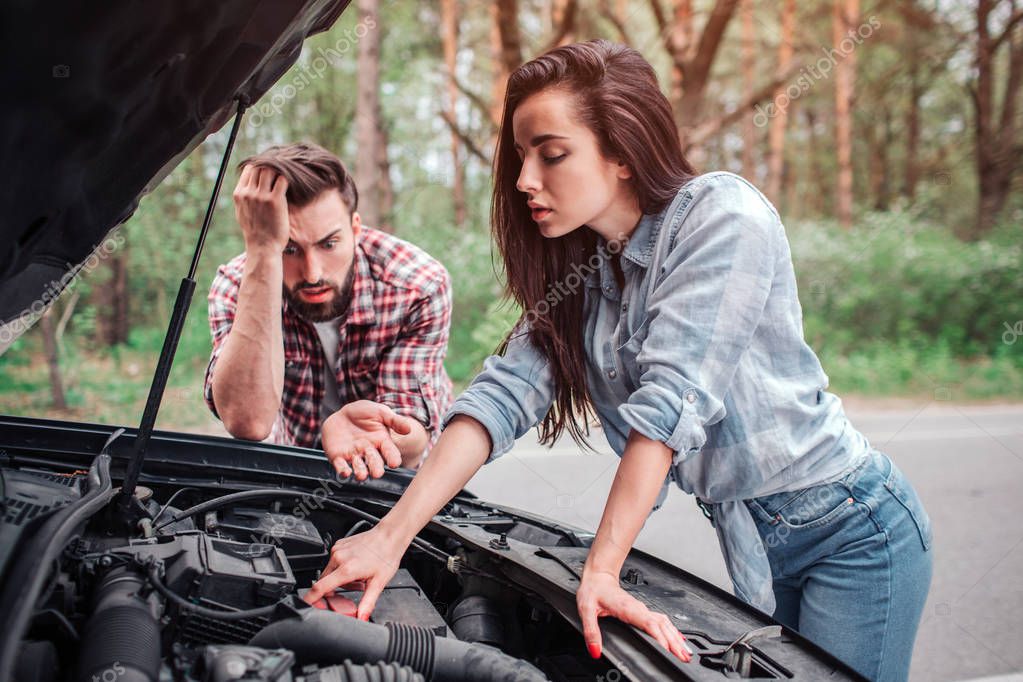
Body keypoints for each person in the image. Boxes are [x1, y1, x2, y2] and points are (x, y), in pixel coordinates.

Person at [303, 41, 932, 681]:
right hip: (755, 543)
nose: (524, 180)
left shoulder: (722, 215)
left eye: (552, 154)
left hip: (853, 533)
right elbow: (502, 397)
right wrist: (389, 536)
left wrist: (602, 571)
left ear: (624, 152)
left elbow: (670, 407)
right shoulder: (584, 271)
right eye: (521, 157)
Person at [204, 142, 454, 479]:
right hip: (291, 481)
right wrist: (264, 252)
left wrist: (373, 436)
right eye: (290, 249)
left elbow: (412, 436)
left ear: (355, 229)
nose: (313, 273)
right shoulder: (235, 287)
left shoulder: (417, 286)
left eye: (329, 244)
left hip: (397, 483)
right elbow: (248, 421)